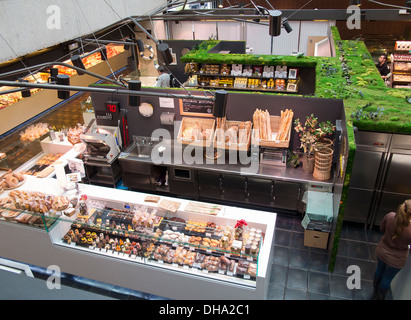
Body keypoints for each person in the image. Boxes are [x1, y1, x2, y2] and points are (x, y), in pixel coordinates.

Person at [372, 199, 411, 300]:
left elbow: (381, 228)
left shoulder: (390, 216)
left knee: (379, 271)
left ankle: (375, 293)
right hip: (396, 260)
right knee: (387, 279)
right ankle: (380, 298)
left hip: (381, 252)